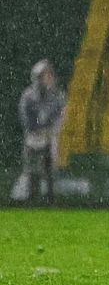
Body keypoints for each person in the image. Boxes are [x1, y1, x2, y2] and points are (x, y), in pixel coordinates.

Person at [13, 59, 66, 204]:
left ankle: (50, 200)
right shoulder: (28, 96)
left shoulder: (57, 96)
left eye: (49, 75)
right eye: (44, 75)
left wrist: (50, 131)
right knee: (32, 170)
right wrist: (35, 131)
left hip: (49, 138)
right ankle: (32, 198)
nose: (48, 78)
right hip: (32, 138)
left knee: (50, 172)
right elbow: (24, 116)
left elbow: (60, 116)